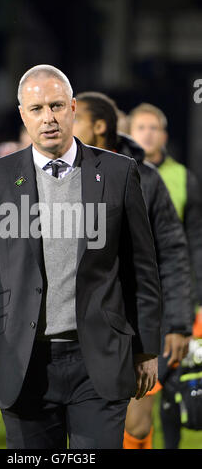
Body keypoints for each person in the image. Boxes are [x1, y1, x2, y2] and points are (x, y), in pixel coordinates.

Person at [0, 64, 161, 450]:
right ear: (23, 115)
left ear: (73, 107)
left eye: (57, 106)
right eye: (37, 108)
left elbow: (140, 267)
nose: (49, 118)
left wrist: (146, 349)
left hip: (99, 358)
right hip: (23, 359)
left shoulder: (118, 172)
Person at [73, 91, 192, 449]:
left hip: (137, 318)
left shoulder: (147, 178)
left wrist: (180, 322)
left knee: (137, 425)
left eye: (75, 118)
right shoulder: (63, 173)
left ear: (99, 127)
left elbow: (172, 251)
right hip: (83, 319)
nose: (65, 124)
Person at [129, 103, 202, 448]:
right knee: (138, 397)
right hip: (137, 298)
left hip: (173, 296)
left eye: (153, 128)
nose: (147, 134)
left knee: (175, 388)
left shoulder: (183, 177)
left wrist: (192, 301)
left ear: (164, 135)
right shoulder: (121, 172)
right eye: (140, 127)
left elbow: (192, 244)